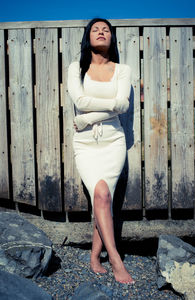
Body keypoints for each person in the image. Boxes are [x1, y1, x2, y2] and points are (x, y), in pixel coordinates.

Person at [67, 18, 134, 284]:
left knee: (103, 197)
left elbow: (125, 105)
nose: (101, 32)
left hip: (113, 141)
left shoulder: (123, 69)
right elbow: (80, 101)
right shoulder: (77, 67)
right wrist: (108, 106)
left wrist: (87, 118)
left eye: (106, 29)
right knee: (101, 195)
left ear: (111, 38)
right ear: (88, 37)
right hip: (85, 144)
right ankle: (115, 259)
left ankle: (96, 256)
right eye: (95, 29)